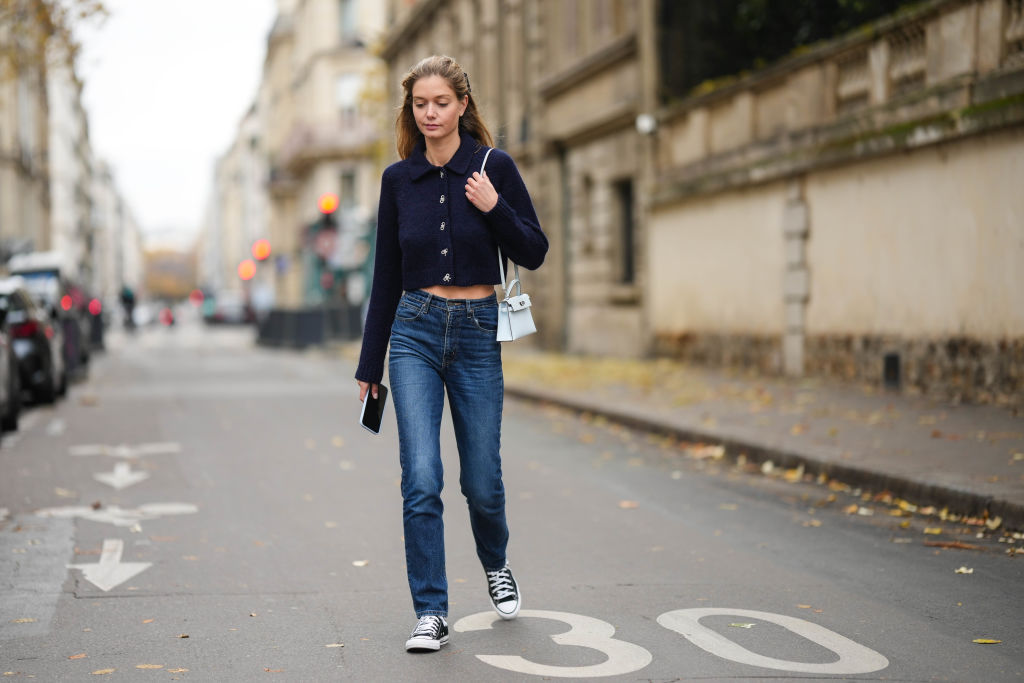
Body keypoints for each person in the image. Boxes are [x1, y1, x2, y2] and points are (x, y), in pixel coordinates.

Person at [355, 55, 548, 652]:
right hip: (413, 330)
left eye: (441, 102)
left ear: (463, 104)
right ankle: (431, 611)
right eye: (420, 104)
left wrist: (494, 206)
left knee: (483, 483)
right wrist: (369, 367)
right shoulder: (397, 180)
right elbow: (385, 274)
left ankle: (496, 562)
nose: (431, 113)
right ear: (410, 111)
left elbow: (535, 250)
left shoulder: (494, 168)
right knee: (420, 477)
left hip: (476, 331)